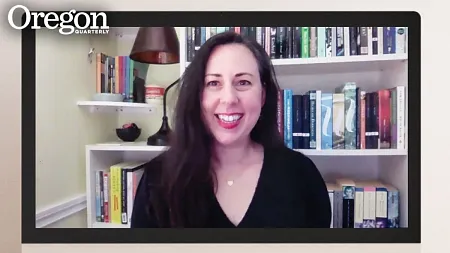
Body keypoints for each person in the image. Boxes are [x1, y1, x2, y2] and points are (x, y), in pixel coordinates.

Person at [130, 31, 331, 228]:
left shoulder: (302, 175)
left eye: (243, 82)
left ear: (262, 96)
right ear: (197, 97)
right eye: (213, 83)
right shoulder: (157, 180)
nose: (228, 99)